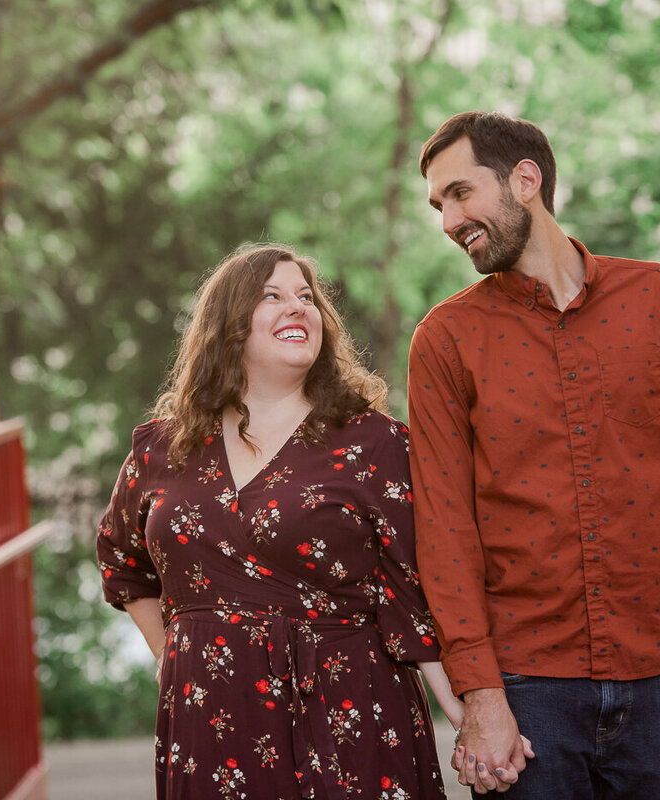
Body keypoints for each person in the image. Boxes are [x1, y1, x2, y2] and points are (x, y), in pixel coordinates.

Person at [407, 111, 660, 798]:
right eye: (439, 204)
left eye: (459, 193)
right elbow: (444, 532)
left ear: (525, 181)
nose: (449, 221)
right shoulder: (446, 340)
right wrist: (480, 694)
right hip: (523, 691)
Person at [97, 243, 463, 799]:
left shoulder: (373, 441)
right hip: (210, 723)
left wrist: (468, 716)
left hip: (348, 713)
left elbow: (412, 591)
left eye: (306, 297)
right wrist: (173, 651)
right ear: (228, 325)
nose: (298, 307)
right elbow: (123, 563)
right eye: (272, 296)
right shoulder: (162, 448)